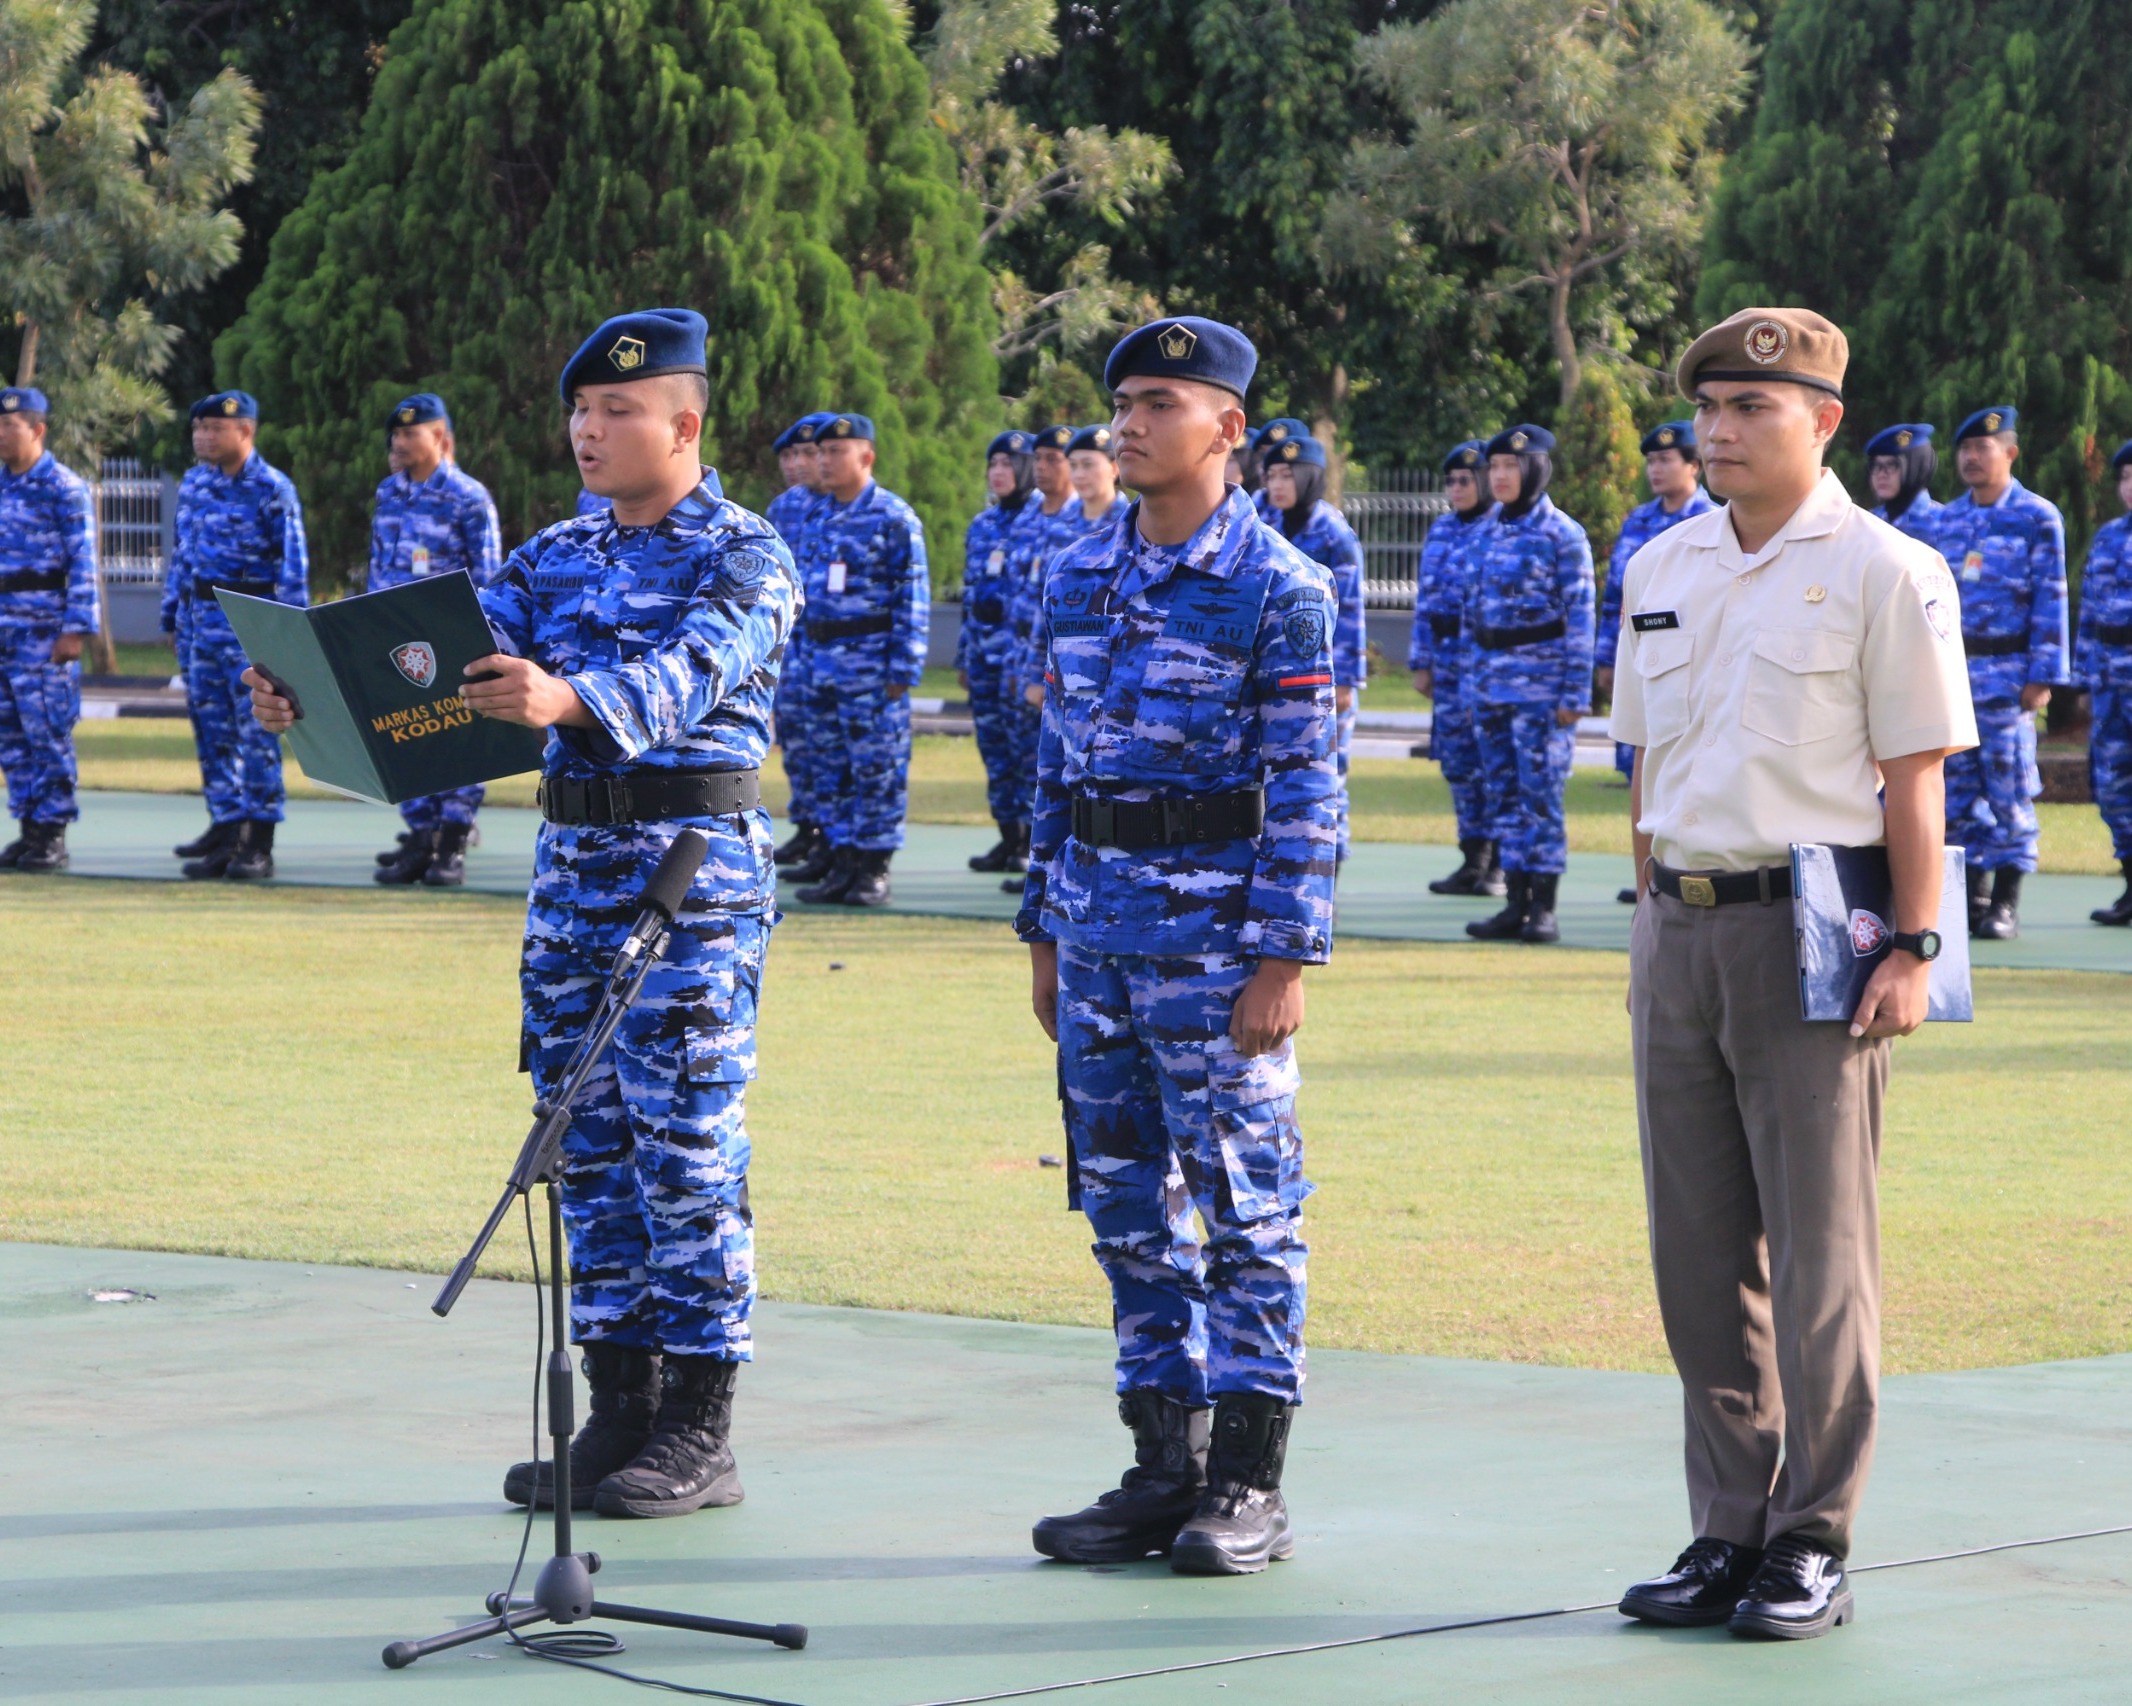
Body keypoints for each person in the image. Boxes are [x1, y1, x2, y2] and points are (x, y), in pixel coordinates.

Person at [249, 307, 797, 1519]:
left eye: (616, 411)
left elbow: (685, 676)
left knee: (686, 1146)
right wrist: (316, 696)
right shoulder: (554, 555)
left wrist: (566, 694)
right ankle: (622, 1409)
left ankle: (699, 1428)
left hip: (687, 879)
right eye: (579, 412)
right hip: (572, 878)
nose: (587, 432)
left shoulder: (746, 553)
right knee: (581, 1143)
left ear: (684, 423)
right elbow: (442, 675)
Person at [1610, 306, 1976, 1639]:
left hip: (1813, 934)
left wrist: (1916, 947)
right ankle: (1728, 1527)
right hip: (1682, 932)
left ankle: (1814, 1534)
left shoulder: (1886, 568)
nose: (1719, 428)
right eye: (1709, 404)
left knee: (1820, 1256)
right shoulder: (1661, 563)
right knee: (1698, 1252)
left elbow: (1914, 779)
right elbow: (1645, 765)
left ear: (1821, 419)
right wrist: (1648, 921)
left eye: (1751, 406)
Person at [1018, 315, 1337, 1577]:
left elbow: (1306, 787)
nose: (1129, 423)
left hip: (1215, 952)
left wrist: (1281, 959)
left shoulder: (1280, 586)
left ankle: (1246, 1481)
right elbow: (1055, 766)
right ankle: (1165, 1466)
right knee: (1122, 1208)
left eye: (1160, 400)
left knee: (1245, 1206)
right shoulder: (1074, 572)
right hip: (1095, 938)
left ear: (1228, 429)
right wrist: (1041, 928)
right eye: (1123, 402)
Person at [1932, 405, 2069, 939]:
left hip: (2010, 675)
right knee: (1957, 793)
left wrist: (2043, 677)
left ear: (2009, 453)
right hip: (1953, 675)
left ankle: (2006, 904)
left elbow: (2052, 599)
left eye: (1981, 448)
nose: (1970, 457)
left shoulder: (2037, 517)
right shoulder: (1947, 518)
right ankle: (1973, 900)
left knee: (2009, 788)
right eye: (1964, 449)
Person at [162, 391, 309, 881]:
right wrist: (172, 616)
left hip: (251, 627)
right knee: (212, 731)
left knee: (256, 734)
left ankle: (258, 840)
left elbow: (292, 570)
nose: (202, 437)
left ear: (244, 430)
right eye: (198, 428)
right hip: (199, 624)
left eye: (213, 428)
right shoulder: (196, 483)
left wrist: (288, 636)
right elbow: (182, 555)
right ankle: (225, 828)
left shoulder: (272, 488)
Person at [1461, 425, 1594, 946]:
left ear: (1535, 469)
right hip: (1490, 684)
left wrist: (1575, 693)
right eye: (1494, 467)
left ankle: (1544, 907)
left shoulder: (1562, 533)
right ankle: (1512, 902)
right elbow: (1473, 615)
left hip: (1542, 686)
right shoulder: (1485, 530)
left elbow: (1581, 617)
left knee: (1540, 796)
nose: (1499, 476)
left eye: (1511, 467)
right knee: (1503, 796)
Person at [366, 393, 505, 888]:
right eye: (396, 434)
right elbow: (378, 566)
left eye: (410, 433)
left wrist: (484, 642)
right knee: (405, 738)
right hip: (393, 639)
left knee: (456, 742)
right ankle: (421, 840)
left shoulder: (468, 498)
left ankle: (451, 844)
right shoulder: (390, 493)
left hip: (449, 641)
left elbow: (489, 579)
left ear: (441, 437)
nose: (399, 442)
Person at [790, 414, 928, 907]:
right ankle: (842, 858)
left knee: (877, 767)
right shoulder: (815, 515)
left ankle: (874, 867)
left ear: (866, 457)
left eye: (835, 452)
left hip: (871, 664)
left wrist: (904, 669)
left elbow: (912, 595)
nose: (823, 461)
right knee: (830, 766)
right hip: (817, 662)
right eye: (821, 452)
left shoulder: (893, 517)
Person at [1598, 421, 1717, 899]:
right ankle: (1651, 867)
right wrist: (1610, 660)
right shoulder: (1639, 521)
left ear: (1693, 465)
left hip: (1696, 673)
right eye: (1651, 460)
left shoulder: (1715, 521)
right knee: (1642, 772)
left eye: (1667, 460)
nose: (1656, 468)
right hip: (1646, 661)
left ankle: (1686, 866)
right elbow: (1617, 601)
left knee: (1691, 777)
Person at [0, 387, 98, 873]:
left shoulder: (63, 486)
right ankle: (28, 828)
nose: (0, 435)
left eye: (8, 426)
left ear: (37, 429)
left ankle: (53, 833)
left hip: (44, 631)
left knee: (48, 731)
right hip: (3, 631)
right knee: (10, 735)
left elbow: (84, 563)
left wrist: (75, 629)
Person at [1261, 433, 1366, 862]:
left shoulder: (1333, 533)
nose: (1277, 484)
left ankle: (1330, 878)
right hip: (1274, 669)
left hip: (1324, 673)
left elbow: (1353, 611)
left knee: (1326, 778)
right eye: (1271, 475)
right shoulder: (1263, 520)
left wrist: (1344, 681)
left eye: (1288, 475)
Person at [1410, 440, 1503, 897]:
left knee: (1495, 765)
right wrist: (1421, 662)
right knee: (1458, 766)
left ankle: (1501, 863)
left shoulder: (1500, 527)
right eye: (1451, 481)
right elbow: (1426, 601)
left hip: (1486, 667)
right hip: (1447, 667)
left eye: (1466, 480)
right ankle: (1473, 859)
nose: (1457, 488)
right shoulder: (1443, 530)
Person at [960, 429, 1038, 874]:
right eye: (994, 465)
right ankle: (1007, 836)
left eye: (1008, 465)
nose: (999, 473)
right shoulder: (983, 524)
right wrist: (964, 658)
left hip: (1019, 658)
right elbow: (972, 597)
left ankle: (1030, 838)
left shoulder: (1039, 519)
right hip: (984, 657)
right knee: (993, 749)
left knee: (1026, 750)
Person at [1000, 425, 1081, 832]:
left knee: (1051, 764)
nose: (1043, 467)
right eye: (1039, 459)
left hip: (1059, 667)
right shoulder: (1026, 517)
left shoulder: (1086, 521)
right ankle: (1016, 840)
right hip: (1014, 655)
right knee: (1013, 756)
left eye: (1054, 459)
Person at [766, 413, 831, 877]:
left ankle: (834, 839)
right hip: (794, 648)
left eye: (807, 453)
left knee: (834, 751)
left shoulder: (854, 509)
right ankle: (807, 826)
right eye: (789, 455)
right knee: (799, 743)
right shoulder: (783, 509)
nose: (797, 463)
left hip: (837, 650)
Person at [2075, 439, 2132, 926]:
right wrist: (2084, 676)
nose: (2131, 487)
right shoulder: (2109, 537)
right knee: (2114, 787)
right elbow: (2090, 614)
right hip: (2112, 680)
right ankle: (2131, 886)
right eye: (2126, 478)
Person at [1862, 423, 1941, 543]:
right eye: (1876, 466)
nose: (1881, 474)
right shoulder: (1868, 521)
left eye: (1892, 465)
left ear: (1916, 467)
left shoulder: (1946, 524)